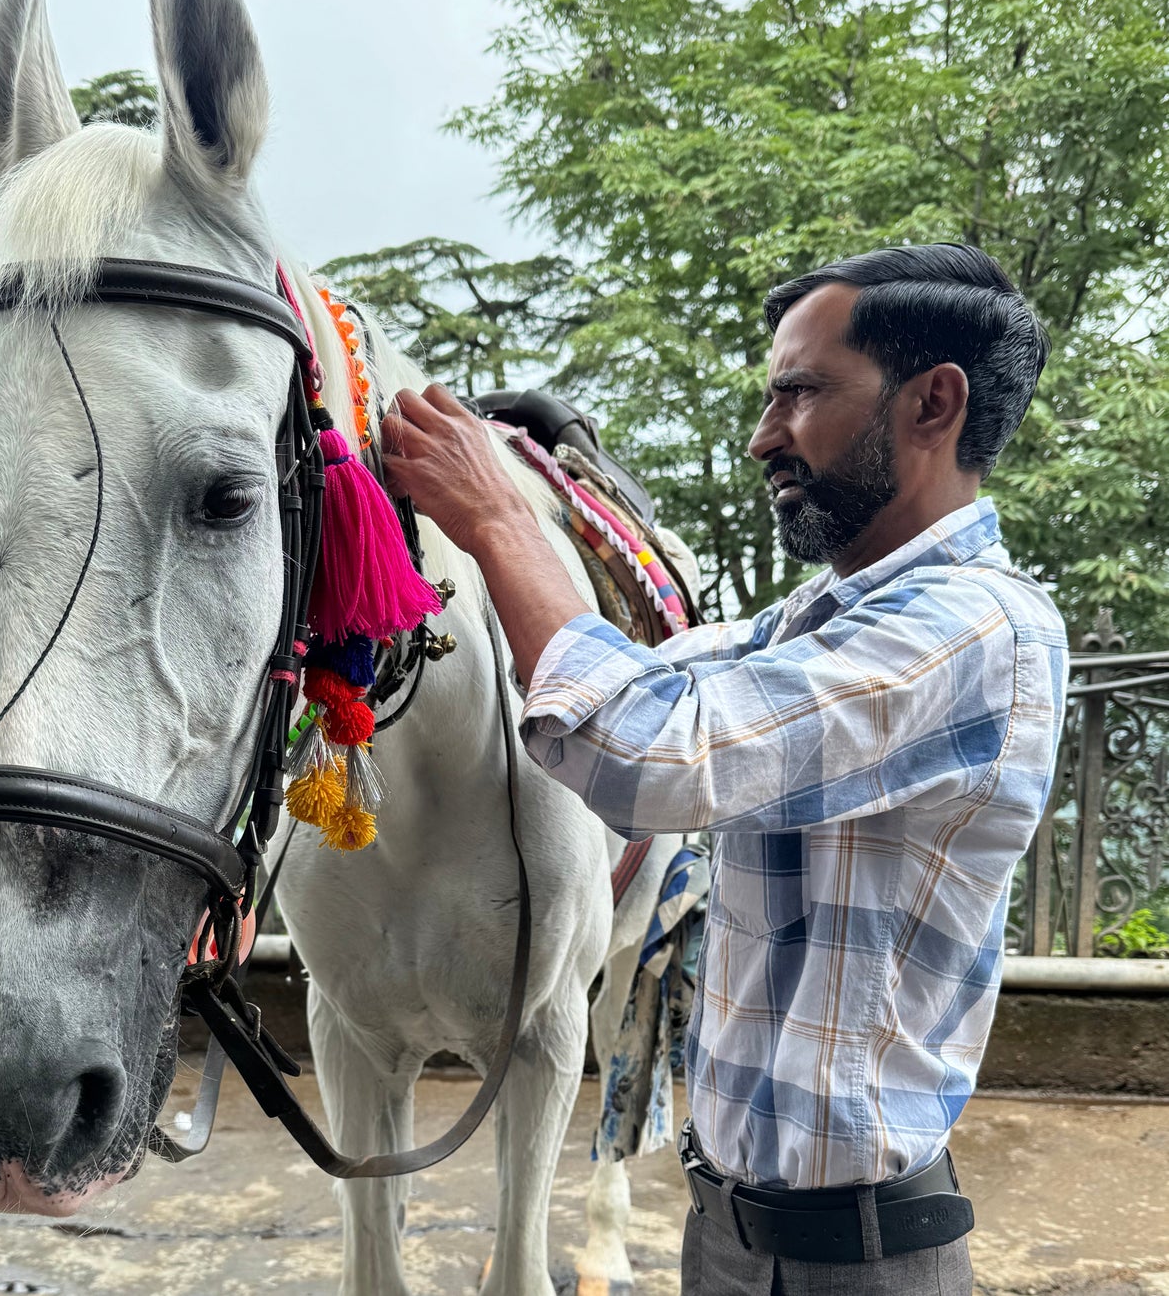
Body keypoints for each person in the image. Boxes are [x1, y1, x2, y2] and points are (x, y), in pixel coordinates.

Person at [381, 244, 1068, 1295]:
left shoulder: (976, 628)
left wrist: (501, 518)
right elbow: (636, 668)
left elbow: (650, 747)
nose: (763, 435)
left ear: (932, 403)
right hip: (733, 1237)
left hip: (853, 1264)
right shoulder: (813, 621)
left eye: (800, 392)